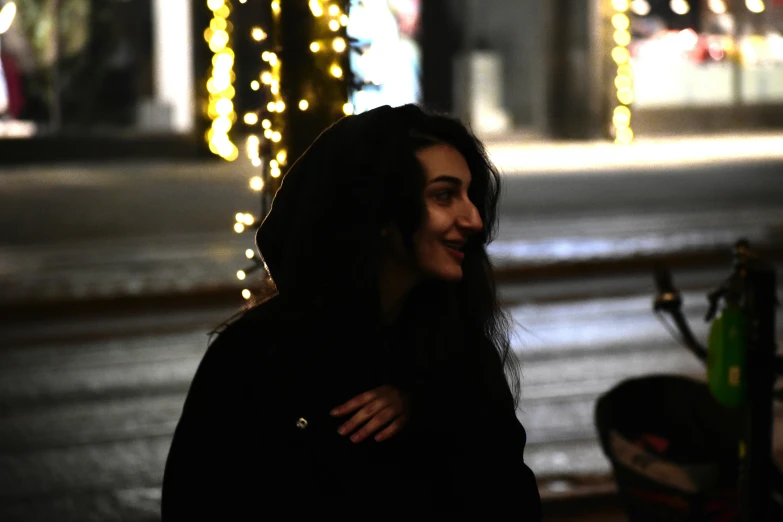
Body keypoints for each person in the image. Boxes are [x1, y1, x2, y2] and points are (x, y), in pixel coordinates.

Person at [161, 104, 542, 519]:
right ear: (380, 212)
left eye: (470, 195)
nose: (473, 218)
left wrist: (433, 409)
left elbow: (511, 499)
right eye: (444, 195)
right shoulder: (255, 357)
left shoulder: (458, 351)